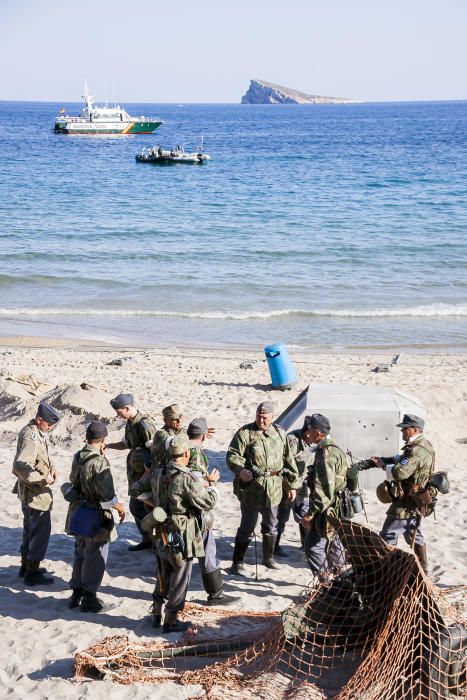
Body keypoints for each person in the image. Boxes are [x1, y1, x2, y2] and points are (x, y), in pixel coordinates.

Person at [150, 434, 220, 632]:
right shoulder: (186, 478)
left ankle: (156, 611)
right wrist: (213, 486)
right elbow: (208, 502)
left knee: (163, 572)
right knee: (181, 574)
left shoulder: (157, 473)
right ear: (187, 453)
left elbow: (141, 490)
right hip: (182, 532)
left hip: (162, 529)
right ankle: (171, 619)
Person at [227, 401, 299, 574]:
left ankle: (268, 558)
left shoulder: (281, 434)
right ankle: (237, 562)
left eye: (265, 417)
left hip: (274, 489)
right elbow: (232, 455)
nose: (261, 420)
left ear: (272, 417)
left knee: (271, 525)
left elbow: (289, 461)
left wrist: (292, 485)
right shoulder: (246, 433)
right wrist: (241, 470)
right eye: (259, 416)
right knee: (247, 527)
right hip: (252, 489)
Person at [64, 421, 125, 612]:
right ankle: (90, 599)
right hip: (96, 514)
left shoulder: (79, 456)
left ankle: (76, 594)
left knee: (80, 551)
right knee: (96, 555)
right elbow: (106, 495)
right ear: (103, 440)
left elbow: (74, 481)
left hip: (78, 511)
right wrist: (120, 508)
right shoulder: (98, 462)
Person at [372, 414, 435, 574]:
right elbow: (401, 459)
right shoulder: (425, 445)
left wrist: (383, 467)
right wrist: (384, 461)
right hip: (417, 500)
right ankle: (423, 569)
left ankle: (386, 568)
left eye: (405, 429)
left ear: (414, 430)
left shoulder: (416, 450)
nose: (402, 433)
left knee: (388, 534)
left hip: (406, 502)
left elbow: (400, 472)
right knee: (413, 533)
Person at [187, 417, 240, 606]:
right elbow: (195, 483)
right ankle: (216, 594)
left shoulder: (176, 448)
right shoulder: (197, 454)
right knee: (208, 552)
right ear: (203, 436)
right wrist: (210, 482)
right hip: (198, 512)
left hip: (180, 514)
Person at [12, 402, 61, 585]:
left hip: (30, 492)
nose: (50, 428)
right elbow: (20, 465)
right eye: (48, 425)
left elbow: (41, 456)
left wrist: (52, 467)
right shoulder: (31, 436)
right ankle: (32, 572)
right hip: (35, 493)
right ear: (39, 420)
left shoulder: (36, 431)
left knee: (30, 530)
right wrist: (41, 479)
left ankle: (26, 566)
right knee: (40, 532)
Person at [107, 393, 156, 551]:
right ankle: (148, 540)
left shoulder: (144, 425)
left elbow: (154, 453)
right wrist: (108, 446)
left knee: (144, 508)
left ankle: (154, 541)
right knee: (137, 508)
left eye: (119, 411)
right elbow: (126, 444)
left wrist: (147, 476)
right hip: (136, 475)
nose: (117, 415)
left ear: (127, 408)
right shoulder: (130, 423)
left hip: (145, 477)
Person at [301, 413, 347, 578]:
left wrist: (311, 514)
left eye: (311, 429)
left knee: (313, 546)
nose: (308, 433)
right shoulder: (336, 449)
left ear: (319, 433)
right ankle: (342, 578)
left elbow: (323, 489)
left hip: (326, 508)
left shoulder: (324, 453)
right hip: (338, 507)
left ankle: (326, 583)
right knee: (335, 543)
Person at [274, 416, 315, 557]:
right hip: (287, 484)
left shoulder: (313, 442)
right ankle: (275, 545)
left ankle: (305, 543)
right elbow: (285, 464)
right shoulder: (293, 440)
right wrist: (290, 486)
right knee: (282, 516)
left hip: (302, 483)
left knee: (304, 512)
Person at [151, 404, 185, 470]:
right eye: (174, 419)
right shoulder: (161, 435)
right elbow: (175, 443)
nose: (179, 421)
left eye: (180, 417)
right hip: (162, 472)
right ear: (165, 420)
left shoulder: (181, 430)